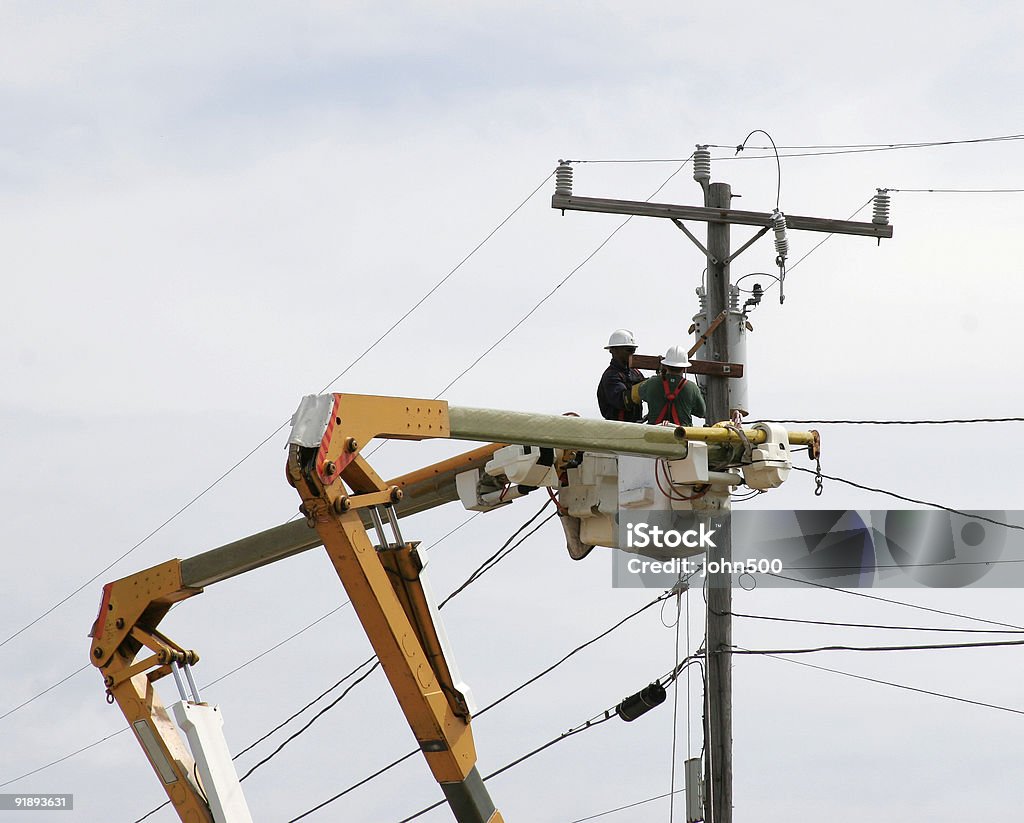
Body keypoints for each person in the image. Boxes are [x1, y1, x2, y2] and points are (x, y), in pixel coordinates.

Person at [632, 344, 705, 426]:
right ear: (685, 368)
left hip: (655, 434)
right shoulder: (692, 388)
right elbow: (701, 412)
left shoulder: (651, 383)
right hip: (681, 435)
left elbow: (638, 394)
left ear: (665, 366)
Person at [597, 329, 645, 422]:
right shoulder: (610, 376)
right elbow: (623, 401)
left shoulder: (636, 373)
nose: (632, 353)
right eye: (629, 350)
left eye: (633, 350)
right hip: (617, 429)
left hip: (635, 426)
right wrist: (647, 386)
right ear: (614, 350)